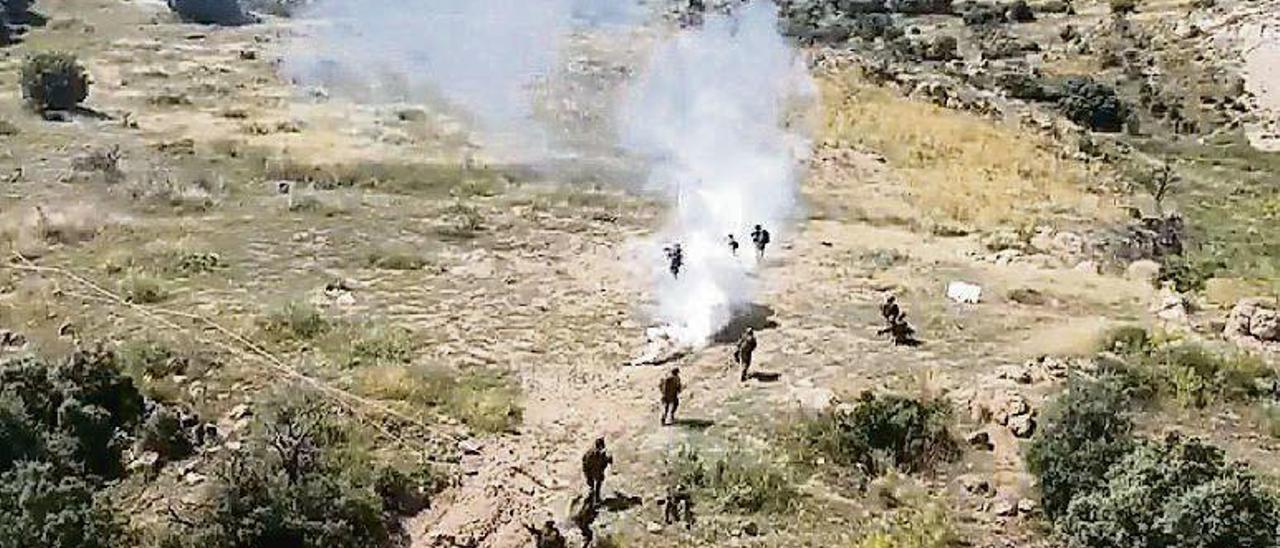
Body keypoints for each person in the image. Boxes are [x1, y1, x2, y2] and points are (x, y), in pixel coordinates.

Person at [582, 437, 613, 505]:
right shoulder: (592, 454)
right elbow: (585, 463)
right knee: (594, 484)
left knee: (596, 483)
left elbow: (606, 460)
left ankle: (595, 497)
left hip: (594, 471)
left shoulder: (599, 453)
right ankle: (594, 497)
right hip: (591, 471)